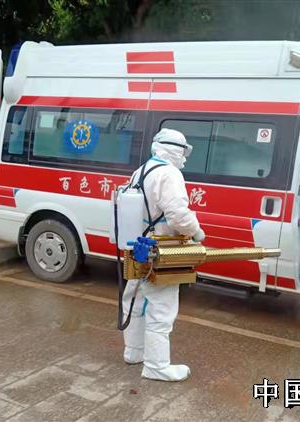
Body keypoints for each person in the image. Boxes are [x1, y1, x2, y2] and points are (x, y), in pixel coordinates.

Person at [122, 128, 205, 382]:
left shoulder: (142, 170)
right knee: (161, 308)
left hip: (137, 247)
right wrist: (196, 231)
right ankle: (157, 366)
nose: (184, 158)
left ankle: (134, 351)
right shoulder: (169, 174)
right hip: (158, 250)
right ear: (176, 151)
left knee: (135, 300)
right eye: (183, 152)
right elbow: (178, 215)